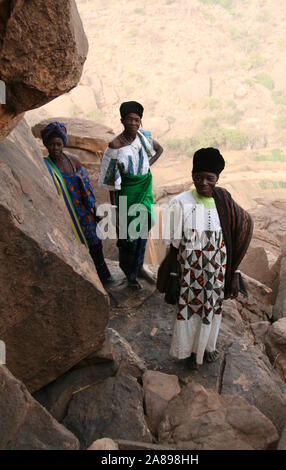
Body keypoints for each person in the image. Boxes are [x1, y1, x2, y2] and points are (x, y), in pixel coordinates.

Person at [165, 147, 253, 368]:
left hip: (217, 272)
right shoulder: (180, 203)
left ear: (218, 178)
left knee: (212, 310)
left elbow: (236, 235)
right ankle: (188, 353)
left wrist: (234, 273)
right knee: (191, 310)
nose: (203, 182)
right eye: (198, 177)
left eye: (209, 178)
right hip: (190, 274)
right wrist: (174, 275)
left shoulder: (223, 200)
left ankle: (206, 348)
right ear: (192, 175)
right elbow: (174, 246)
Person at [98, 101, 163, 289]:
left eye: (137, 119)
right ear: (122, 120)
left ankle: (139, 267)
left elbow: (160, 149)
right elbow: (110, 182)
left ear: (140, 122)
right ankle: (130, 274)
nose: (134, 123)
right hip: (126, 193)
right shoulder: (115, 145)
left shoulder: (144, 138)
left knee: (142, 231)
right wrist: (115, 208)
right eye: (130, 119)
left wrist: (146, 166)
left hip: (143, 189)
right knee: (127, 236)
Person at [41, 121, 113, 285]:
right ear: (46, 144)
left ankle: (104, 277)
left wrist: (94, 211)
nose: (55, 148)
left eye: (58, 143)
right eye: (51, 144)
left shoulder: (74, 161)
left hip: (83, 211)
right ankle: (86, 280)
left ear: (63, 143)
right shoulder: (45, 165)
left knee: (95, 243)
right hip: (66, 215)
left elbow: (87, 188)